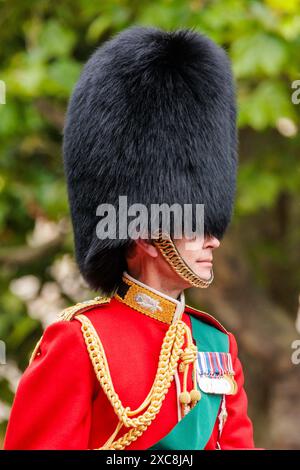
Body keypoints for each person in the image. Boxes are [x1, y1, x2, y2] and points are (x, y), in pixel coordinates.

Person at [4, 26, 255, 450]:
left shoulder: (216, 344)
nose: (214, 241)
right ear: (145, 233)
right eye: (196, 225)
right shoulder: (79, 342)